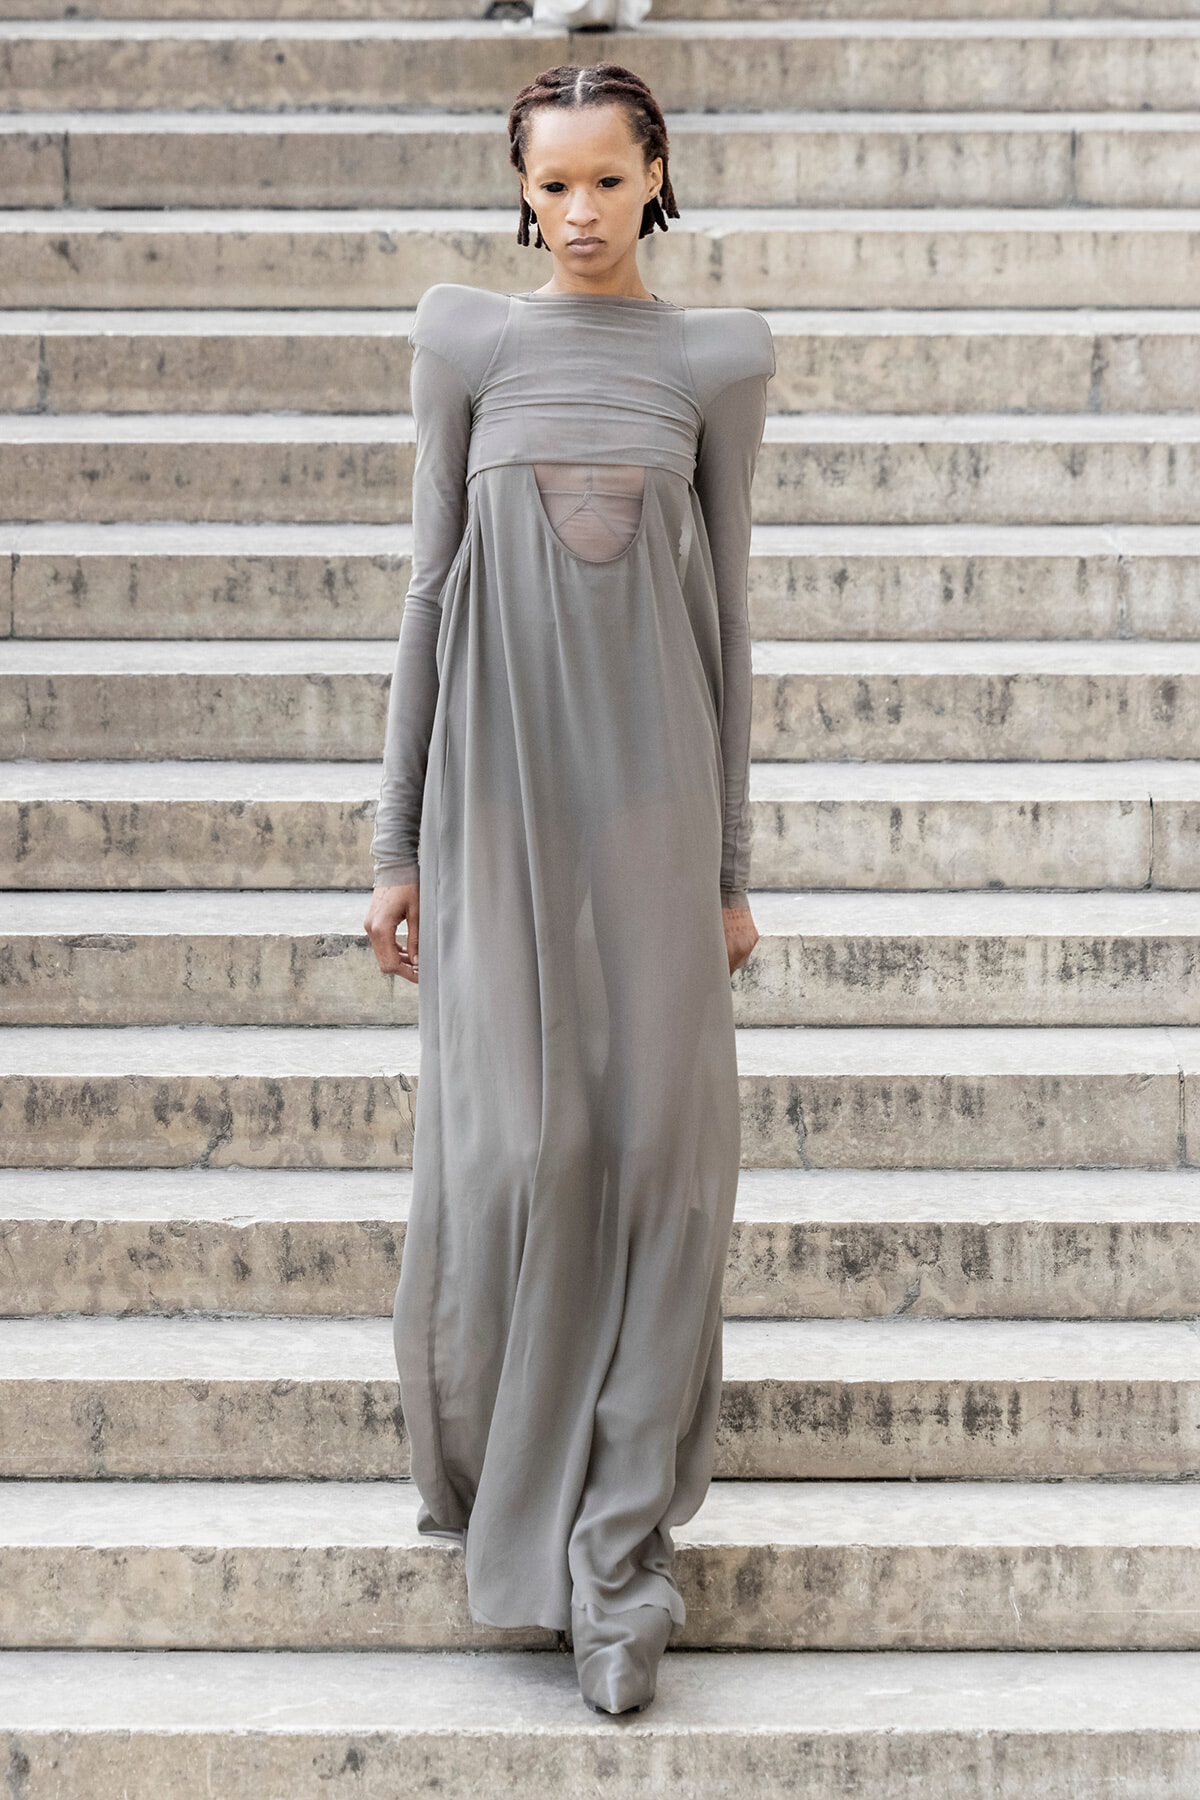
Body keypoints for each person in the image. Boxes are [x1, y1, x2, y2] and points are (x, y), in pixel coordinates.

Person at [364, 61, 774, 1716]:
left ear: (656, 172)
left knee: (660, 1159)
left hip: (656, 803)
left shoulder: (713, 359)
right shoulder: (468, 341)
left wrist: (736, 865)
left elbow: (731, 625)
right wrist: (392, 844)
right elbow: (424, 598)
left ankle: (620, 1563)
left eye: (610, 181)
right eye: (553, 188)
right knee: (530, 1140)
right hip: (493, 793)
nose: (581, 214)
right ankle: (503, 1477)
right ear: (520, 191)